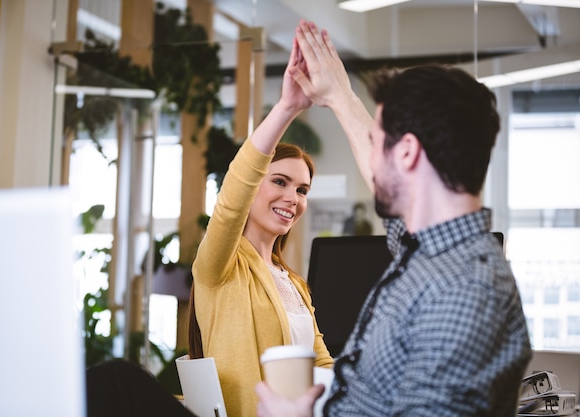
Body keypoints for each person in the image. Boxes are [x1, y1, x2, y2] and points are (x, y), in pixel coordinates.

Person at [255, 20, 532, 417]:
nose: (373, 160)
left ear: (406, 154)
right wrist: (339, 96)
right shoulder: (430, 253)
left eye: (378, 143)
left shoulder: (461, 290)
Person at [189, 34, 333, 417]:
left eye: (302, 189)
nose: (293, 198)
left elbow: (321, 366)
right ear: (253, 187)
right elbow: (234, 190)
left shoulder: (294, 284)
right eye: (280, 182)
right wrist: (287, 107)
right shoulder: (220, 267)